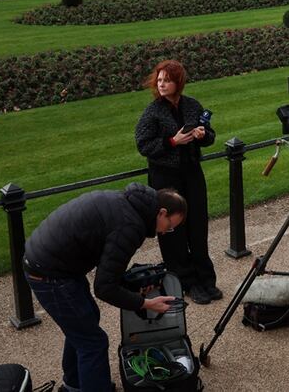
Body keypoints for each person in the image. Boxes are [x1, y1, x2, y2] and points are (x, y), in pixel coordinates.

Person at [24, 184, 186, 392]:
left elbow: (109, 272)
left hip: (54, 263)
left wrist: (132, 290)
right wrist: (145, 303)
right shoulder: (131, 226)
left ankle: (74, 385)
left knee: (86, 322)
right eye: (170, 226)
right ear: (162, 212)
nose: (166, 232)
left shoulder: (128, 203)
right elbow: (104, 288)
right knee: (93, 342)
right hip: (49, 273)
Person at [135, 60, 220, 305]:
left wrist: (203, 135)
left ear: (178, 82)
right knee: (173, 231)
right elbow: (143, 145)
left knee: (197, 224)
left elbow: (209, 135)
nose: (161, 84)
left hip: (192, 173)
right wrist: (173, 142)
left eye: (167, 80)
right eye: (159, 80)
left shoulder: (192, 105)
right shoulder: (153, 112)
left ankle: (206, 278)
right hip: (165, 178)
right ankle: (187, 282)